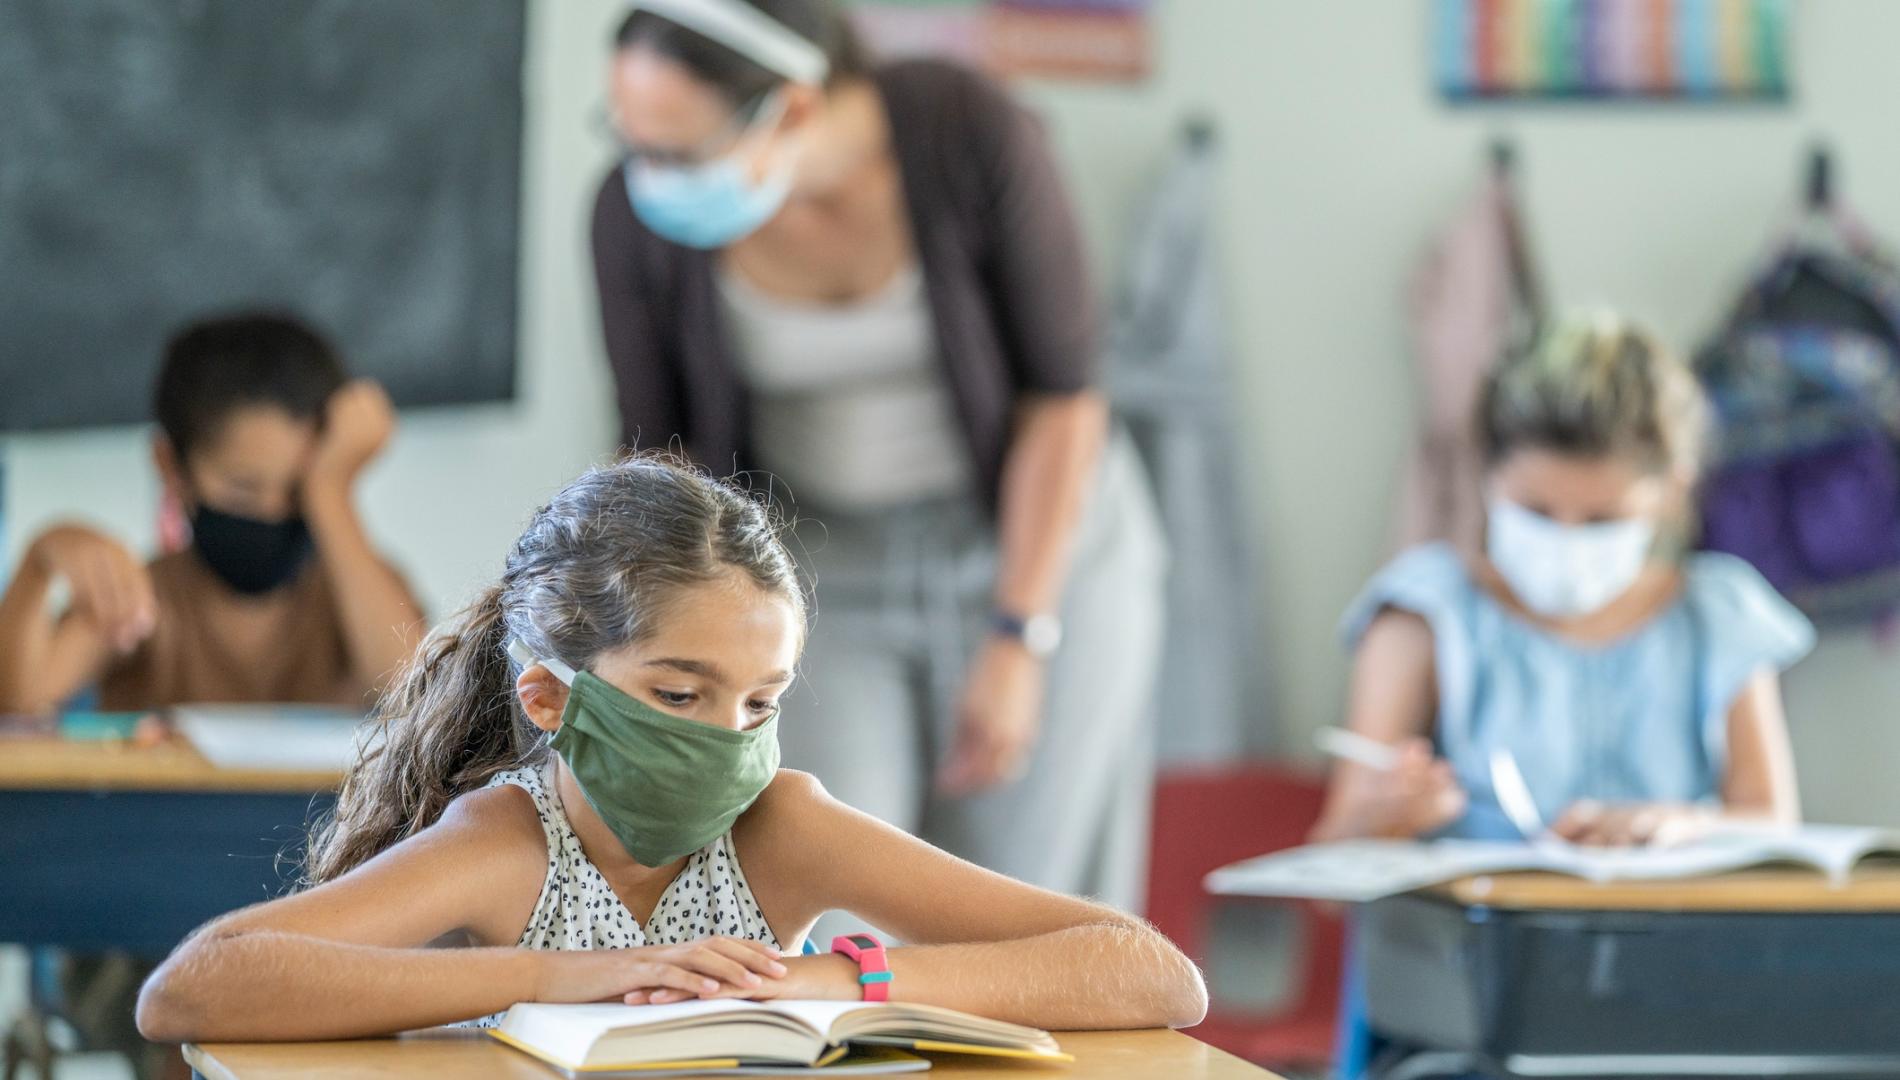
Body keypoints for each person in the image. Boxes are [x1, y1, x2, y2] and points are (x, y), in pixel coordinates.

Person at [132, 455, 1206, 1041]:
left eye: (759, 703)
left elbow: (1153, 976)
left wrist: (834, 979)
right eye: (681, 693)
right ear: (553, 695)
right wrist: (565, 978)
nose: (728, 741)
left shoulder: (781, 825)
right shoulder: (510, 842)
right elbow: (195, 988)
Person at [589, 0, 1167, 914]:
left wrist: (1020, 634)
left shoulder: (966, 131)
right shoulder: (634, 217)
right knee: (825, 886)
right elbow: (657, 451)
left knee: (1017, 902)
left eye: (679, 150)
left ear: (795, 110)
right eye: (628, 139)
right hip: (816, 567)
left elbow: (1062, 399)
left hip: (1039, 548)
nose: (646, 177)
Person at [1312, 312, 1815, 1078]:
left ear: (1670, 495)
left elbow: (1774, 826)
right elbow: (1325, 876)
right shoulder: (1424, 614)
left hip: (1681, 1019)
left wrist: (1681, 826)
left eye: (1602, 520)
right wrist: (1383, 821)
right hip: (1470, 1029)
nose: (1566, 541)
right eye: (1538, 513)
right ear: (1488, 477)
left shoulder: (1720, 615)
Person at [0, 312, 424, 712]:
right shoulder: (142, 599)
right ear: (172, 467)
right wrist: (40, 562)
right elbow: (19, 704)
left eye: (299, 490)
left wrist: (331, 491)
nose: (273, 511)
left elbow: (412, 696)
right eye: (243, 490)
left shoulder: (359, 589)